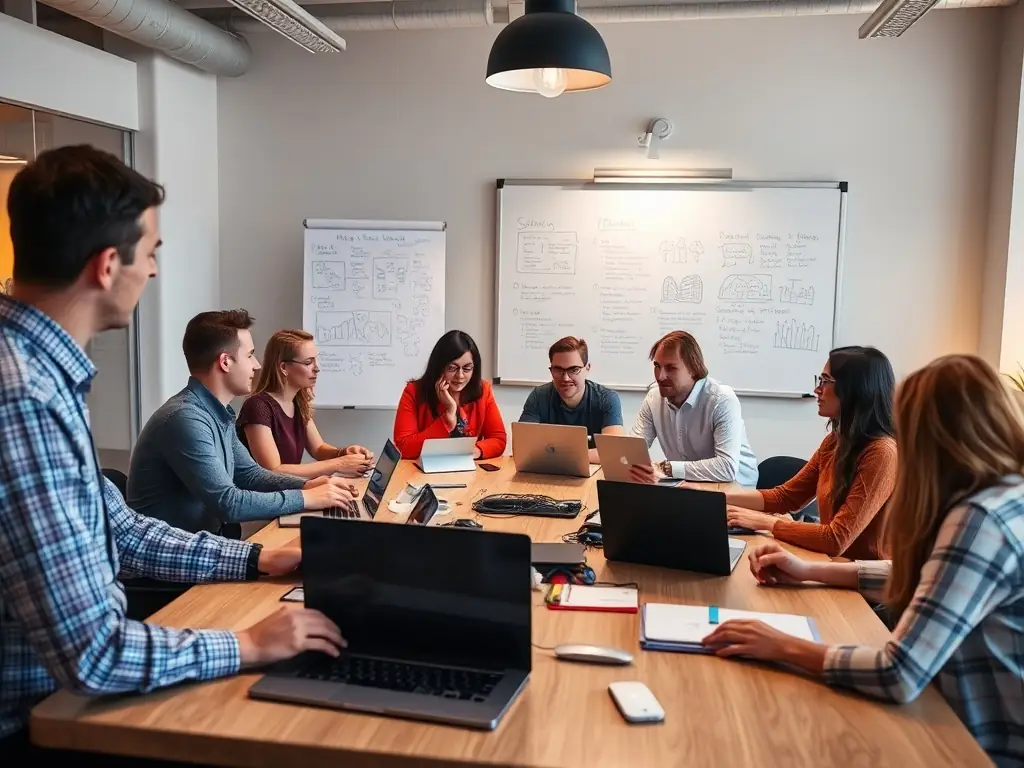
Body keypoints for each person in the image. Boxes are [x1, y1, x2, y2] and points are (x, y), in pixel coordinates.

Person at [0, 146, 345, 761]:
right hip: (43, 721)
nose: (154, 271)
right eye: (151, 252)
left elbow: (126, 532)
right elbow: (93, 655)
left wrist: (256, 560)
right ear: (108, 265)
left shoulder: (41, 376)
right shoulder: (24, 397)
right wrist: (246, 645)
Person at [702, 355, 1024, 768]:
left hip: (980, 746)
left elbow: (897, 673)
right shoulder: (1003, 497)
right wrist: (811, 570)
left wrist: (779, 644)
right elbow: (933, 575)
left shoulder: (980, 519)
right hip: (958, 716)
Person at [128, 310, 357, 535]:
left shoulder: (218, 413)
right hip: (175, 561)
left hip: (206, 543)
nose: (256, 365)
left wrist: (307, 486)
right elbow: (228, 503)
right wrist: (306, 498)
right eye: (249, 355)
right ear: (225, 362)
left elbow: (250, 475)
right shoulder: (185, 419)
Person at [717, 347, 897, 558]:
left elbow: (836, 539)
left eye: (825, 381)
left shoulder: (882, 453)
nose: (817, 390)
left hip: (863, 584)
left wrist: (764, 521)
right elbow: (784, 497)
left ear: (856, 389)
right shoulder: (834, 442)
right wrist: (716, 498)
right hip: (834, 566)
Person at [239, 329, 374, 479]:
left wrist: (344, 452)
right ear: (283, 368)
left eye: (316, 360)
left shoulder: (298, 401)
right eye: (308, 362)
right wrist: (340, 464)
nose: (317, 368)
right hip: (266, 499)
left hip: (288, 493)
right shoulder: (257, 407)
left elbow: (318, 449)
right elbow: (273, 470)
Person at [628, 330, 758, 485]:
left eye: (671, 368)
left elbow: (726, 468)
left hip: (735, 489)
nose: (660, 376)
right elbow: (632, 448)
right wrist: (640, 468)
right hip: (686, 484)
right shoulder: (653, 398)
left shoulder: (721, 400)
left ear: (693, 369)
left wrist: (666, 468)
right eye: (657, 366)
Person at [393, 330, 506, 460]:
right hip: (422, 472)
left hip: (469, 471)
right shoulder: (413, 391)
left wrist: (475, 451)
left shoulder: (483, 390)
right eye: (452, 368)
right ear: (439, 367)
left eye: (467, 368)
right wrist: (447, 419)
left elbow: (499, 439)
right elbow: (404, 447)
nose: (460, 376)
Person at [518, 336, 624, 463]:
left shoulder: (607, 399)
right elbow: (522, 447)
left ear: (587, 368)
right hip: (548, 474)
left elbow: (613, 451)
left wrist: (558, 456)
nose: (566, 378)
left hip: (592, 475)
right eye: (558, 369)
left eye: (574, 370)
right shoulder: (538, 397)